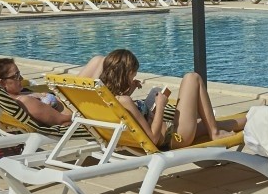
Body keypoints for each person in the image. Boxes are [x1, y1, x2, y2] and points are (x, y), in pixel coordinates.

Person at [99, 48, 244, 149]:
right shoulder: (125, 101)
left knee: (210, 123)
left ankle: (251, 119)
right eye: (133, 75)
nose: (134, 78)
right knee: (192, 78)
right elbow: (153, 138)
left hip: (171, 132)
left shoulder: (105, 97)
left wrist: (130, 90)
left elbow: (127, 112)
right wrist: (160, 106)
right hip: (175, 137)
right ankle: (215, 133)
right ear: (125, 74)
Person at [0, 56, 104, 128]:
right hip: (76, 108)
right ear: (2, 83)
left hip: (67, 100)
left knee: (97, 60)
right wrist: (87, 115)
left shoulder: (8, 97)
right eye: (16, 76)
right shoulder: (25, 101)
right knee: (101, 67)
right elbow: (61, 120)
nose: (21, 78)